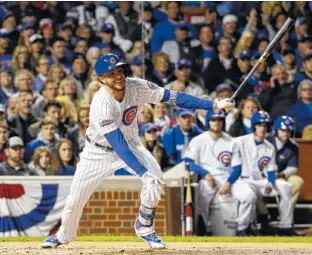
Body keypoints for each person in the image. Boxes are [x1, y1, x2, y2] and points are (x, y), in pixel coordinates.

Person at [41, 53, 234, 249]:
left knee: (155, 180)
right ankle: (64, 235)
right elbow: (118, 146)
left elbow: (173, 97)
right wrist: (142, 173)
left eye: (120, 70)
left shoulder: (137, 86)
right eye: (111, 73)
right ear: (101, 79)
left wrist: (213, 104)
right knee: (76, 199)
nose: (118, 76)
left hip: (131, 142)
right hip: (98, 151)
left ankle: (144, 226)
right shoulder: (101, 104)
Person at [184, 111, 256, 236]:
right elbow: (188, 162)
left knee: (249, 196)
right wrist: (205, 173)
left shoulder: (231, 141)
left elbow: (237, 168)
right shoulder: (198, 140)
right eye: (213, 120)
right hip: (208, 178)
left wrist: (228, 183)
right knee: (203, 195)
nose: (216, 122)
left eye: (219, 120)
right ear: (208, 122)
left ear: (223, 122)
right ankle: (205, 228)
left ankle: (241, 228)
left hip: (228, 178)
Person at [235, 111, 299, 236]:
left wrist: (270, 182)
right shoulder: (239, 141)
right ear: (254, 126)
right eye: (259, 125)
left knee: (286, 187)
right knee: (249, 195)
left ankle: (285, 226)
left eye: (265, 125)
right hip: (241, 180)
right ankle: (242, 228)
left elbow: (271, 169)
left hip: (259, 181)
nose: (262, 128)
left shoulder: (269, 147)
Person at [267, 116, 304, 206]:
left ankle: (285, 212)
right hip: (264, 175)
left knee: (297, 181)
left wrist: (281, 175)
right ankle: (262, 213)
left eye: (288, 131)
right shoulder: (266, 141)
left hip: (282, 175)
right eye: (283, 130)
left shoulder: (293, 145)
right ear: (276, 130)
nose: (286, 133)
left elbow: (293, 168)